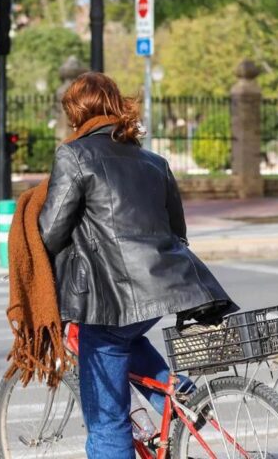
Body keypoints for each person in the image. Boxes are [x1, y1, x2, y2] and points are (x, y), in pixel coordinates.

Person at [38, 73, 237, 458]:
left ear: (77, 114)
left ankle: (173, 406)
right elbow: (176, 229)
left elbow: (52, 230)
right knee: (130, 336)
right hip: (169, 287)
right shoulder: (153, 161)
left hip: (114, 298)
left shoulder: (74, 155)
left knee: (107, 420)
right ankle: (180, 399)